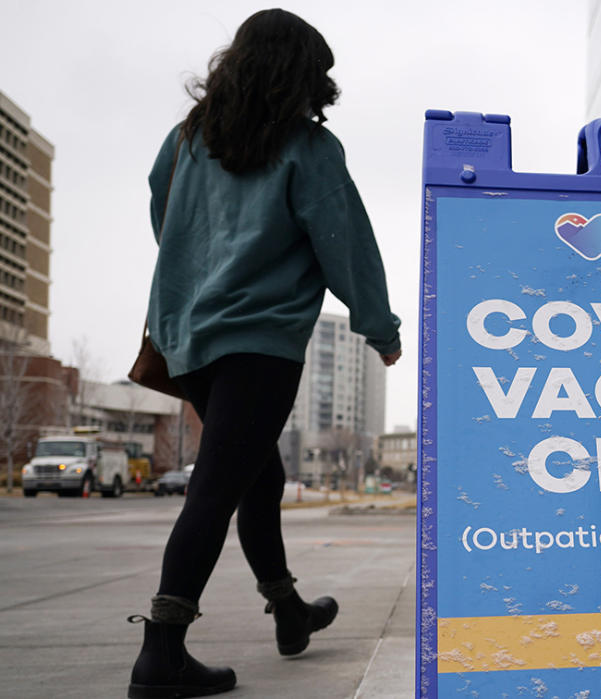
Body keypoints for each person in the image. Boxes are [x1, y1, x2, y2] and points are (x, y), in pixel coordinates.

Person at [127, 9, 401, 698]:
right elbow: (346, 244)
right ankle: (162, 648)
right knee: (218, 486)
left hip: (187, 338)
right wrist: (381, 327)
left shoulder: (186, 139)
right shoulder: (308, 150)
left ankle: (289, 611)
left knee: (260, 479)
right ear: (303, 77)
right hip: (259, 343)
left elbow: (164, 216)